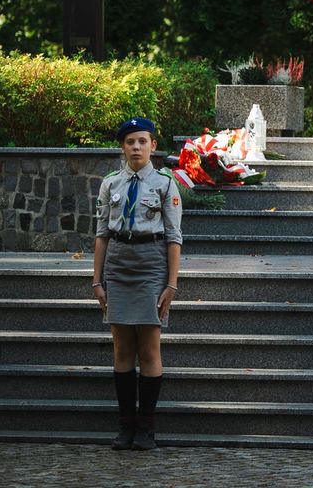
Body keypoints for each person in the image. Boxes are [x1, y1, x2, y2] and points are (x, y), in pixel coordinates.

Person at [92, 117, 183, 450]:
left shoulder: (164, 184)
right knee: (121, 349)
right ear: (122, 147)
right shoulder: (111, 183)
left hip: (151, 265)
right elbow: (102, 233)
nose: (136, 147)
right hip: (118, 264)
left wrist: (171, 285)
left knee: (149, 348)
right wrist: (96, 281)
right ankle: (125, 426)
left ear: (153, 146)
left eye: (142, 141)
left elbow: (174, 237)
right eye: (130, 142)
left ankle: (146, 428)